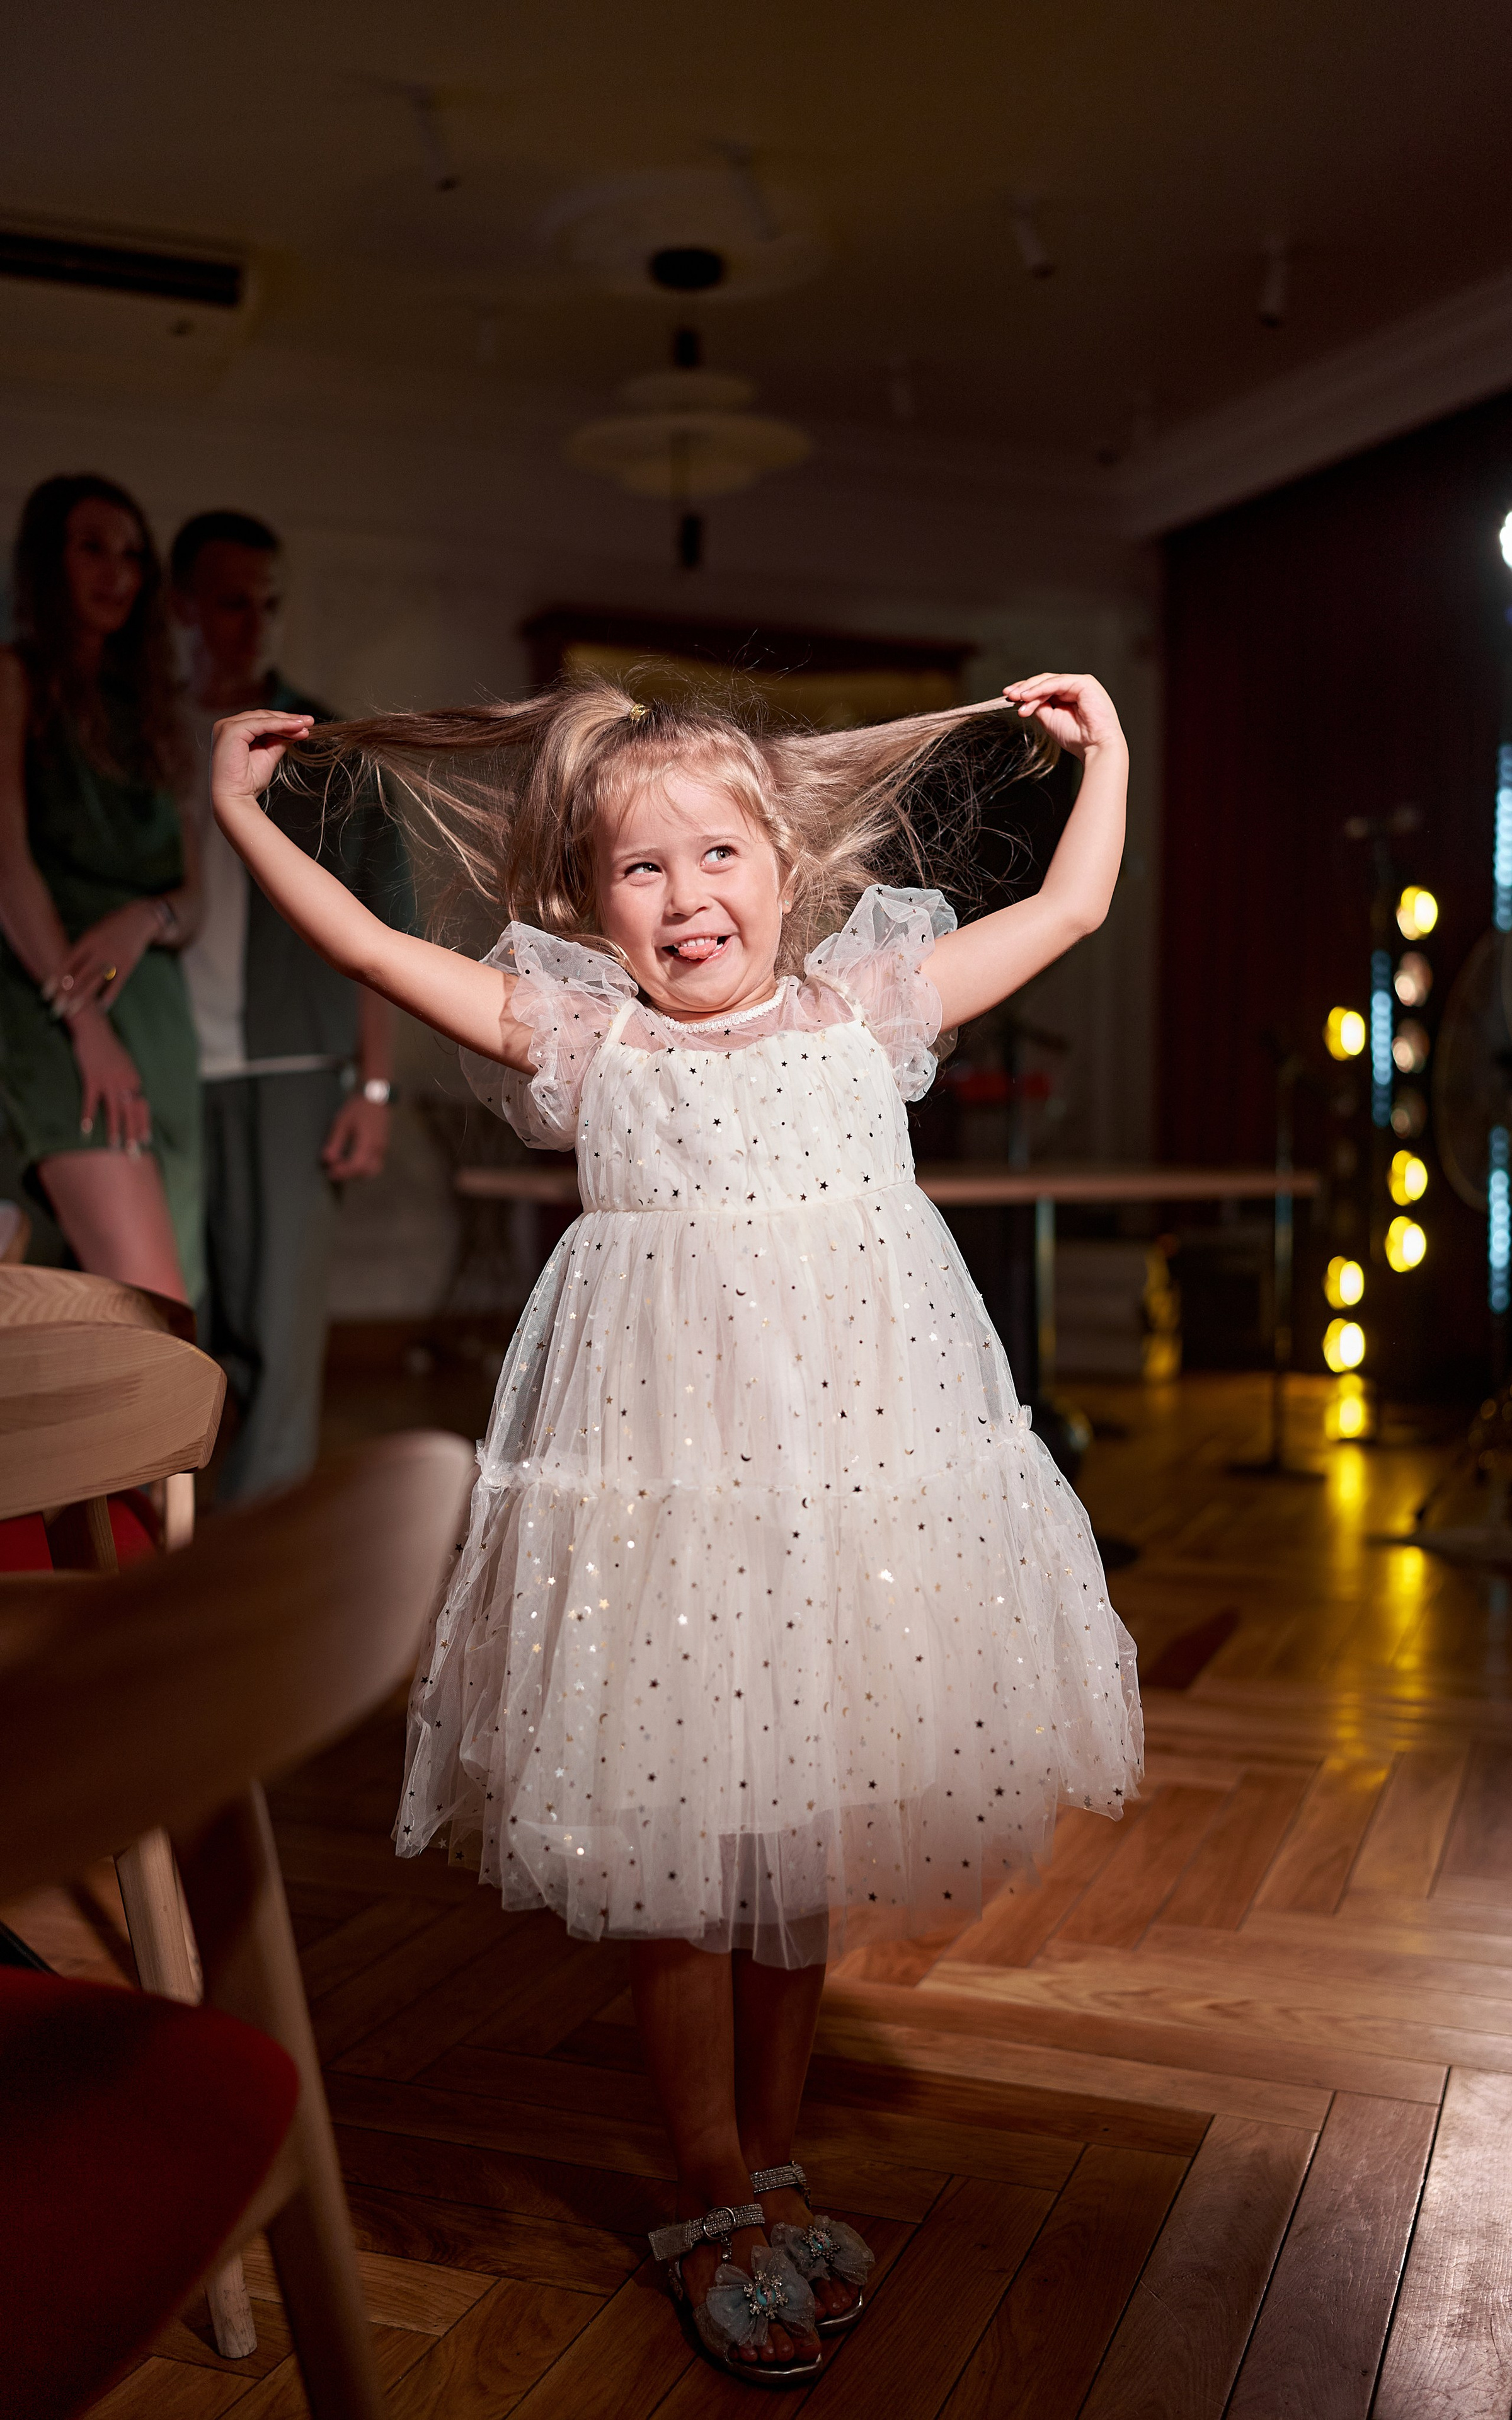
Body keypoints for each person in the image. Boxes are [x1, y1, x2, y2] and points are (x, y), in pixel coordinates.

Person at [208, 672, 1143, 2386]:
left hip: (849, 1506)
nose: (687, 895)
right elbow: (361, 950)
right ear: (587, 900)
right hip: (669, 1517)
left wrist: (1108, 759)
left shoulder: (874, 1008)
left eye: (719, 854)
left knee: (799, 1852)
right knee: (683, 1869)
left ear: (786, 868)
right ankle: (710, 2182)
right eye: (641, 871)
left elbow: (1075, 899)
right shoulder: (593, 1042)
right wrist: (238, 813)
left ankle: (774, 2158)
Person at [169, 510, 411, 1500]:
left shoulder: (331, 751)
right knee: (173, 1325)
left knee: (277, 1332)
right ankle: (156, 1552)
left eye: (270, 604)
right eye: (232, 601)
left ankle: (260, 1586)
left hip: (293, 1072)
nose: (254, 624)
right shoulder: (131, 733)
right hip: (158, 1064)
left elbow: (384, 938)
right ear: (182, 606)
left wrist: (377, 1089)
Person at [0, 474, 202, 1302]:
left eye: (131, 556)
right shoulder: (13, 678)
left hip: (156, 1009)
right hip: (56, 999)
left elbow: (193, 905)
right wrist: (85, 1022)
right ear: (48, 562)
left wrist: (139, 921)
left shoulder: (158, 712)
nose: (116, 572)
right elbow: (7, 870)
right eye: (92, 548)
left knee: (147, 1301)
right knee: (155, 1314)